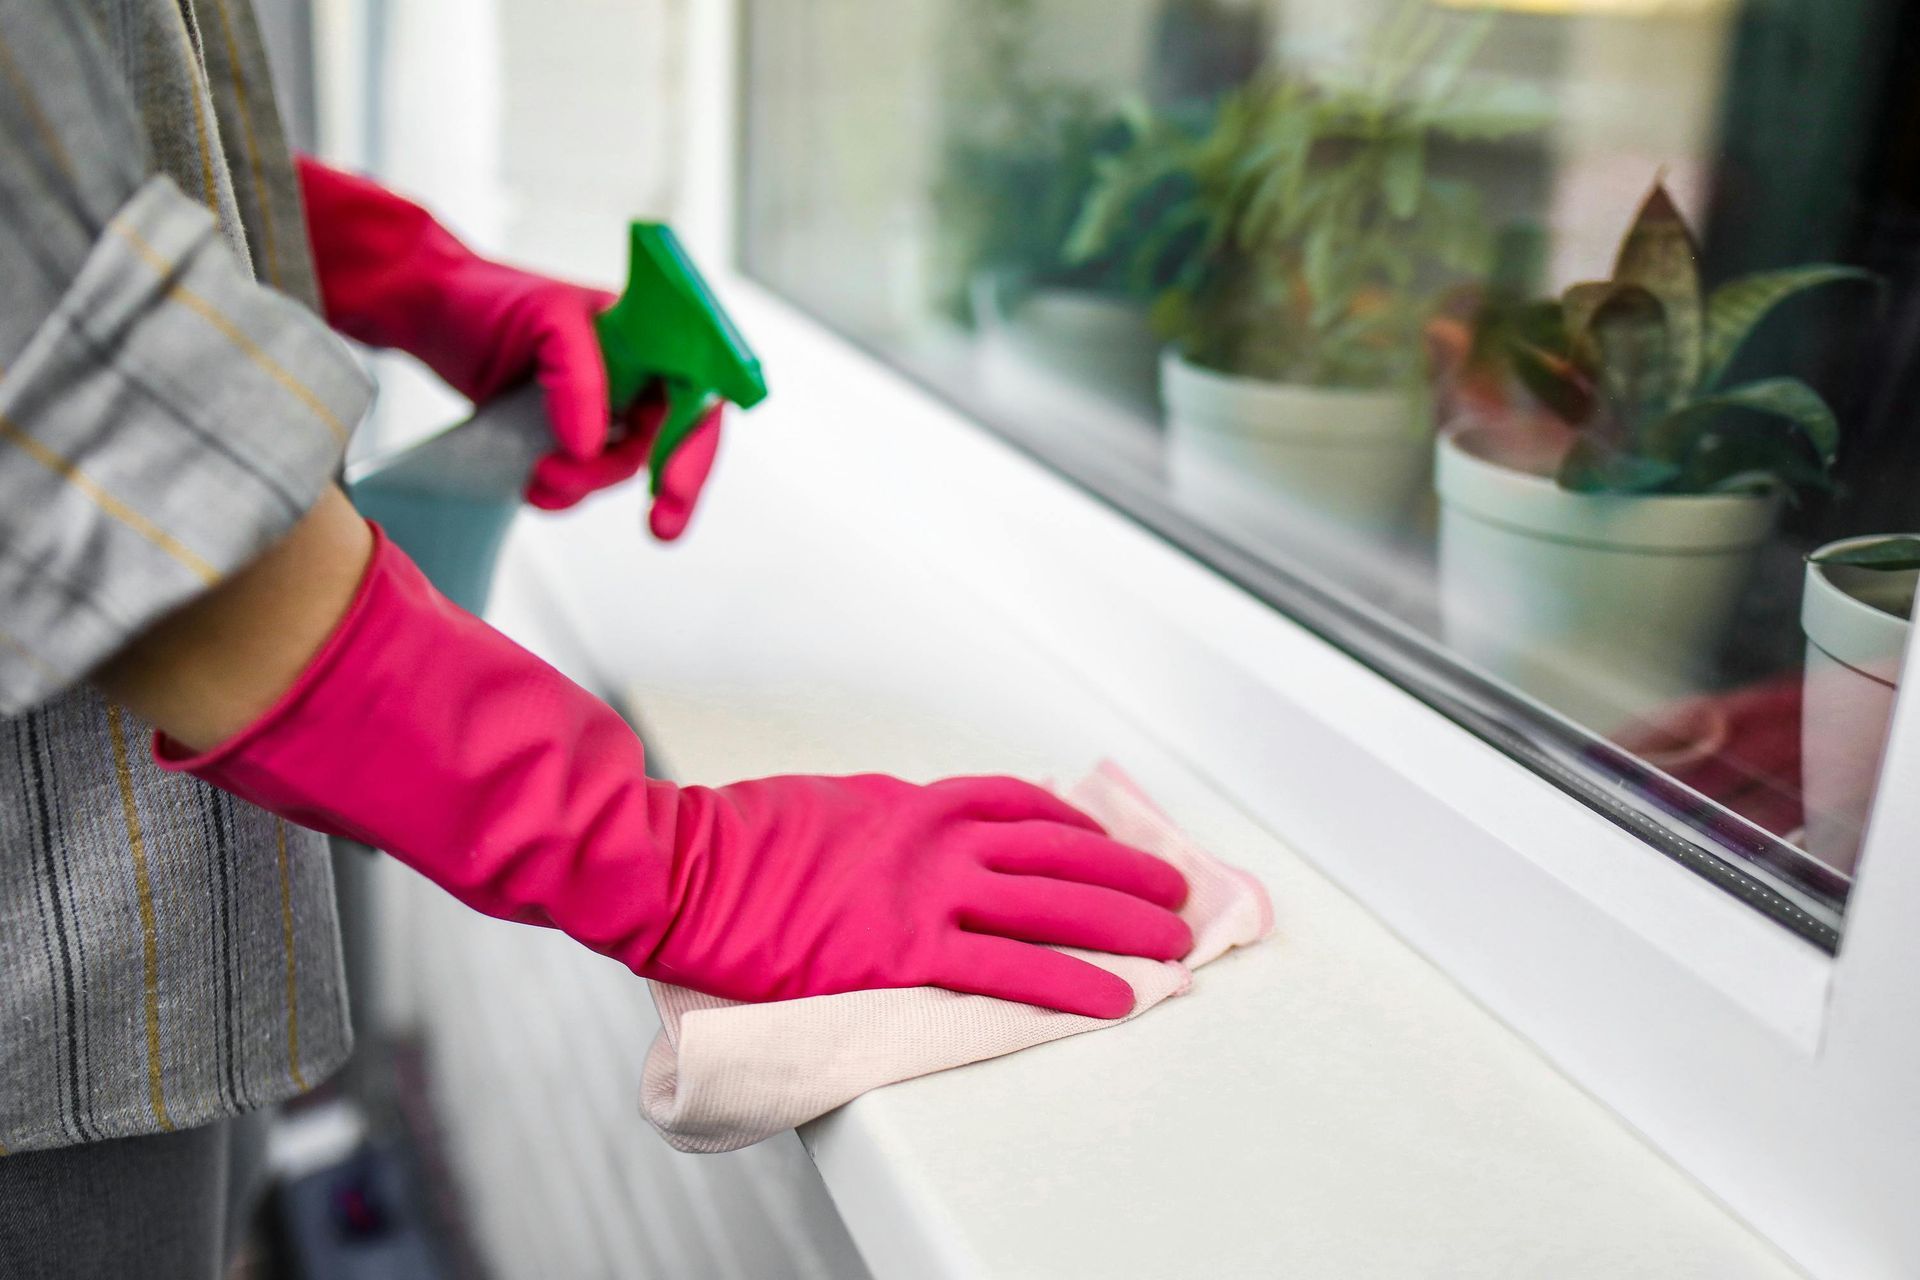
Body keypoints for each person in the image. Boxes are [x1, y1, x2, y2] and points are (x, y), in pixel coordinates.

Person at [0, 3, 1193, 1274]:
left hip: (146, 968)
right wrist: (664, 860)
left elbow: (73, 153)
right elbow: (90, 442)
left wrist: (410, 276)